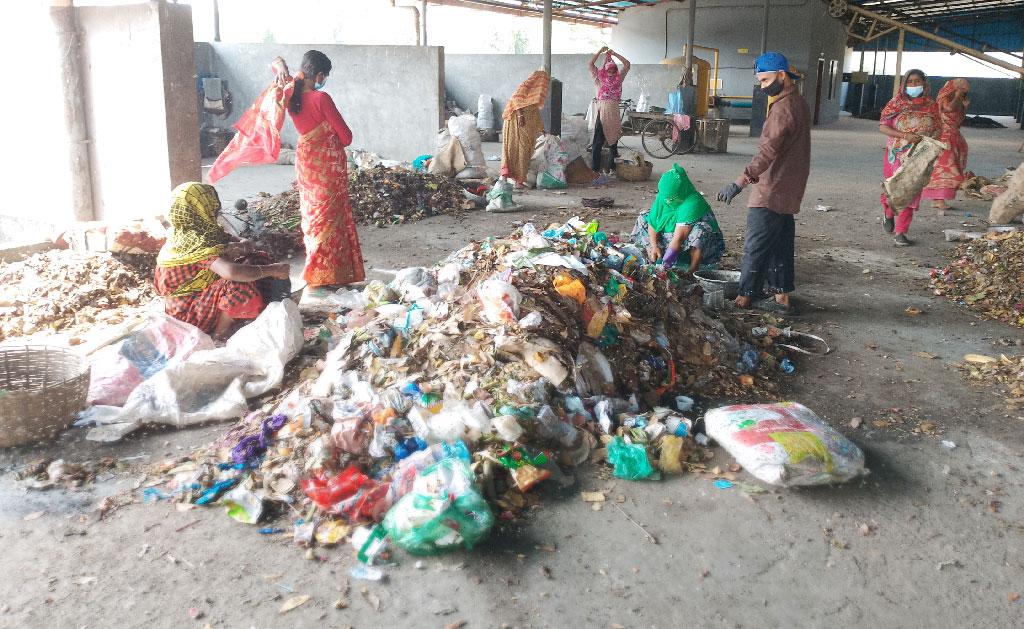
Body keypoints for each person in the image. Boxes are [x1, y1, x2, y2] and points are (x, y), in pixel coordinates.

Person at [207, 51, 365, 287]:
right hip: (326, 166)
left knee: (314, 218)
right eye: (325, 76)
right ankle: (328, 274)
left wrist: (280, 68)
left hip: (306, 163)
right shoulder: (321, 99)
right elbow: (346, 136)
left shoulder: (290, 93)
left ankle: (320, 271)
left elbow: (276, 62)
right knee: (331, 218)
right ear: (320, 74)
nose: (324, 80)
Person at [717, 51, 810, 314]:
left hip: (772, 189)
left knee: (755, 245)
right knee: (781, 244)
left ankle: (744, 298)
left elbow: (767, 152)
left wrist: (740, 181)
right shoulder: (799, 103)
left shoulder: (783, 109)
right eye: (760, 81)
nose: (763, 86)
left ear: (782, 75)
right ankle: (782, 297)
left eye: (766, 80)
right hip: (789, 190)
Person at [154, 182, 291, 339]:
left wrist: (243, 244)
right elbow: (231, 272)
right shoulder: (193, 242)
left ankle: (265, 309)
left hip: (200, 297)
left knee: (258, 258)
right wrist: (273, 270)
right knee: (239, 285)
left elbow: (234, 240)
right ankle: (219, 335)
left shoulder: (196, 230)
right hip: (187, 313)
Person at [877, 69, 940, 246]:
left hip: (920, 156)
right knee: (894, 188)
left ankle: (901, 232)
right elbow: (883, 127)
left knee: (911, 191)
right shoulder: (896, 103)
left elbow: (938, 128)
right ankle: (889, 214)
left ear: (924, 83)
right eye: (910, 82)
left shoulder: (931, 105)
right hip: (896, 155)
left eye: (917, 81)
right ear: (904, 85)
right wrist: (904, 135)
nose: (914, 85)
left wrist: (931, 144)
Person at [631, 163, 725, 274]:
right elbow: (653, 222)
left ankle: (692, 271)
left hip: (691, 247)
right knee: (643, 217)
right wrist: (654, 245)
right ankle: (653, 257)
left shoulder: (693, 202)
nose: (667, 201)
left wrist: (665, 266)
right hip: (671, 242)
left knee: (701, 230)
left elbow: (678, 239)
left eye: (671, 199)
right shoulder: (665, 196)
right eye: (666, 198)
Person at [923, 78, 970, 215]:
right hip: (944, 137)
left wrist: (964, 106)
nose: (963, 93)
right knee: (946, 169)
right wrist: (957, 97)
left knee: (950, 166)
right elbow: (948, 108)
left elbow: (959, 120)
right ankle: (939, 199)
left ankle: (937, 199)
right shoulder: (945, 98)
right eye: (961, 89)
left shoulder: (960, 100)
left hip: (954, 136)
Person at [501, 70, 549, 186]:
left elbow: (535, 114)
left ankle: (519, 178)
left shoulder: (533, 99)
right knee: (514, 150)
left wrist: (542, 129)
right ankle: (513, 179)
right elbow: (515, 98)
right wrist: (520, 115)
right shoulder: (525, 86)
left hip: (527, 128)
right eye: (542, 81)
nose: (543, 85)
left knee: (525, 152)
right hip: (515, 124)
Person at [588, 47, 630, 175]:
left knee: (613, 140)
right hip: (602, 111)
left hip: (613, 112)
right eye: (609, 69)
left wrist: (615, 54)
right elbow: (590, 64)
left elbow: (627, 64)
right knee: (598, 142)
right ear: (605, 70)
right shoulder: (598, 78)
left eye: (613, 69)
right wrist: (600, 51)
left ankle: (612, 168)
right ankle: (595, 169)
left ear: (616, 70)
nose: (611, 71)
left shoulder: (619, 78)